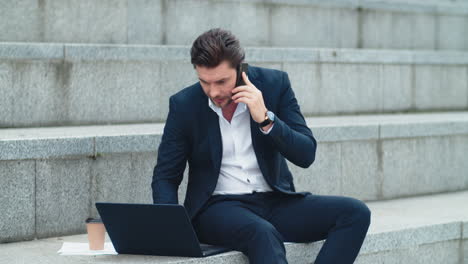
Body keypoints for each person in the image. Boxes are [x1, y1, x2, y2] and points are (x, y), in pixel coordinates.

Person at [152, 28, 371, 264]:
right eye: (205, 82)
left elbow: (306, 154)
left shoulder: (275, 85)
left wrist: (266, 119)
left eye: (221, 81)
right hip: (217, 208)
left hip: (275, 201)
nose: (213, 91)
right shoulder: (185, 104)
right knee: (262, 233)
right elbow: (166, 175)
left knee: (355, 213)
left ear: (240, 68)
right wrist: (170, 232)